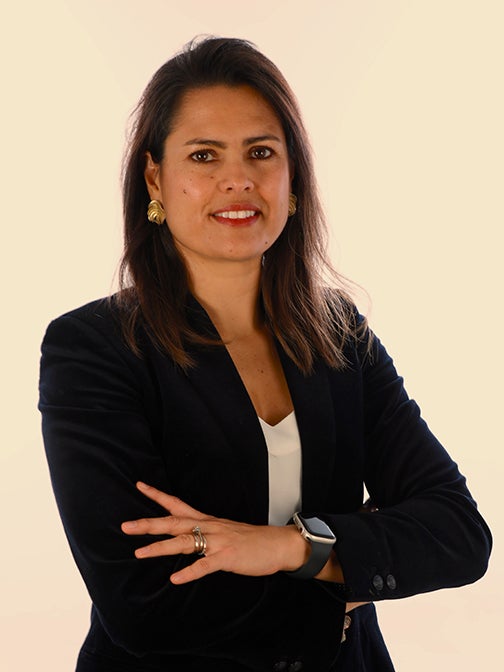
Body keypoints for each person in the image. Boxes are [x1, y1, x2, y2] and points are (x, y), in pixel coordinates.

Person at [39, 37, 491, 672]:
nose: (238, 180)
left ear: (292, 176)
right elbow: (142, 602)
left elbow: (457, 534)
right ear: (155, 178)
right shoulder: (95, 349)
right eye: (204, 155)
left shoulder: (341, 334)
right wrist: (345, 577)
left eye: (261, 152)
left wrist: (288, 547)